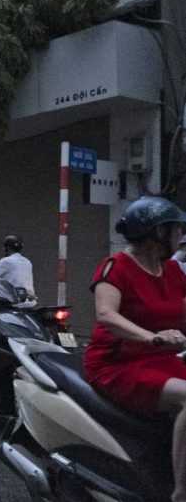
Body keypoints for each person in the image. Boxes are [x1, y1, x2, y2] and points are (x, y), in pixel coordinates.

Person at [83, 196, 186, 499]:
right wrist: (151, 337)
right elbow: (106, 314)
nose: (182, 236)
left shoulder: (171, 271)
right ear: (158, 233)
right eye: (177, 230)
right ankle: (180, 492)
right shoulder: (116, 265)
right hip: (117, 363)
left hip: (160, 359)